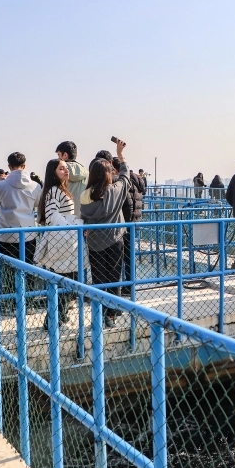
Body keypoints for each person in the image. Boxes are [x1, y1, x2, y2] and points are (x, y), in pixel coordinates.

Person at [80, 140, 129, 327]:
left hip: (94, 241)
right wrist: (120, 155)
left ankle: (98, 314)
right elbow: (125, 177)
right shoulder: (115, 191)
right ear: (109, 174)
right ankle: (111, 315)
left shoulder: (85, 195)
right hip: (115, 238)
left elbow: (84, 217)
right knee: (114, 277)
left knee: (98, 277)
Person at [35, 159, 83, 328]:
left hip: (63, 240)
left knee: (66, 280)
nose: (66, 171)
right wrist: (71, 226)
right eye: (61, 168)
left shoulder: (58, 189)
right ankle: (54, 319)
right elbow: (52, 215)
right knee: (66, 279)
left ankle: (58, 317)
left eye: (66, 168)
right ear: (53, 172)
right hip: (62, 241)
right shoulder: (54, 191)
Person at [0, 152, 42, 264]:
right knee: (28, 269)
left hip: (7, 234)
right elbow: (36, 203)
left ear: (9, 167)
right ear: (24, 165)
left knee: (9, 271)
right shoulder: (35, 186)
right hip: (28, 233)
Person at [112, 157, 146, 294]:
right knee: (130, 255)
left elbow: (128, 204)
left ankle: (124, 286)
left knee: (121, 256)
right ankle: (130, 284)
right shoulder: (137, 179)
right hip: (135, 221)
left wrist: (124, 223)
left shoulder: (122, 181)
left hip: (125, 223)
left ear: (116, 169)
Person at [55, 141, 88, 214]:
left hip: (63, 219)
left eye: (59, 155)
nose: (58, 159)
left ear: (65, 155)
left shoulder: (57, 172)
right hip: (82, 219)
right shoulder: (86, 173)